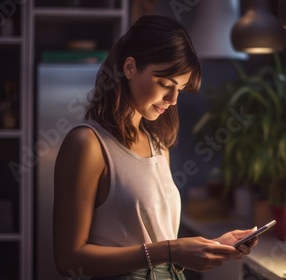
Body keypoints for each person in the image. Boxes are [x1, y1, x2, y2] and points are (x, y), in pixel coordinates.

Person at [53, 15, 258, 280]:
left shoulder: (159, 146)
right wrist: (169, 251)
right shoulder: (88, 144)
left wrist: (213, 246)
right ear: (129, 68)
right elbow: (68, 261)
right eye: (165, 84)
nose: (173, 99)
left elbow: (158, 241)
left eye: (180, 89)